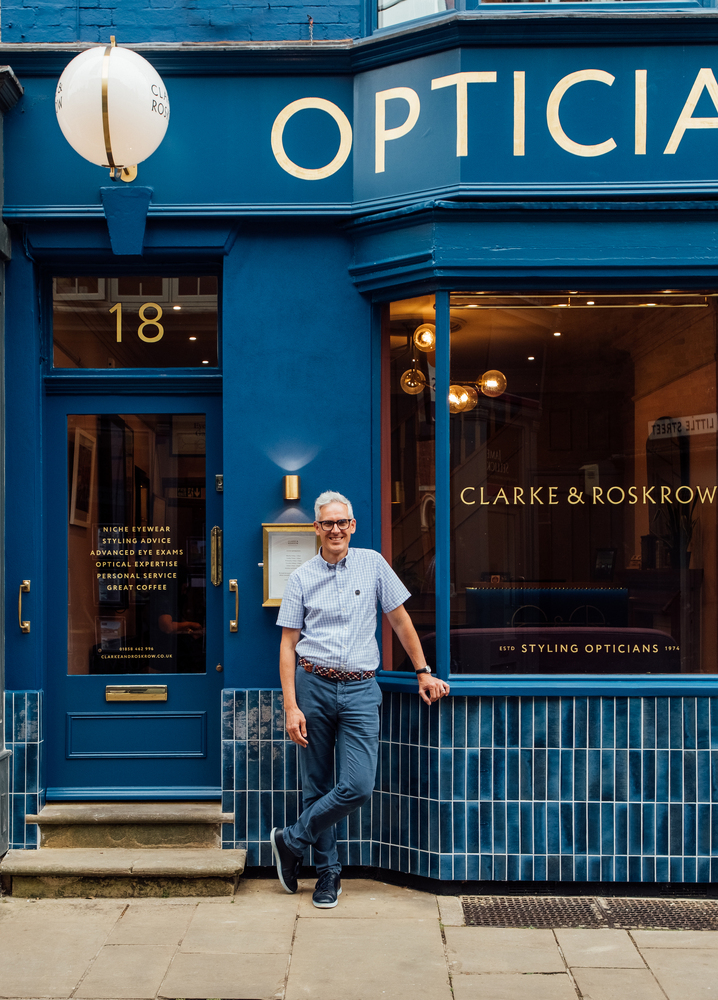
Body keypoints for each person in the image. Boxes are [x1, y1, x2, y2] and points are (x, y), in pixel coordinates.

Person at [270, 490, 449, 908]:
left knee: (357, 785)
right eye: (327, 523)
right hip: (312, 683)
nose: (335, 529)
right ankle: (328, 874)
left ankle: (291, 841)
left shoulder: (373, 565)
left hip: (361, 688)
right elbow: (287, 645)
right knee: (315, 785)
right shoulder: (300, 577)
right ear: (316, 528)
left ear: (352, 526)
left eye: (342, 523)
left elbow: (400, 620)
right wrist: (291, 705)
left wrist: (422, 671)